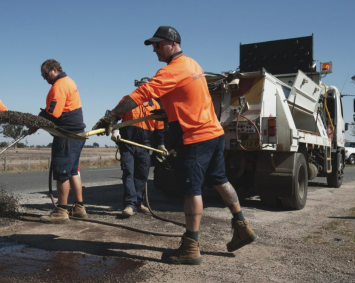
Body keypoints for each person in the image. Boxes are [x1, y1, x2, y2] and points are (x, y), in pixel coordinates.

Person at [93, 26, 256, 265]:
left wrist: (112, 115)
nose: (155, 49)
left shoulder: (172, 70)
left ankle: (191, 246)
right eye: (153, 46)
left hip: (196, 138)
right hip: (213, 133)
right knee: (220, 181)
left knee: (192, 190)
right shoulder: (193, 64)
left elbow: (141, 94)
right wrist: (166, 112)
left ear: (171, 43)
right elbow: (184, 98)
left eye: (158, 45)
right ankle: (242, 226)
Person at [29, 59, 87, 224]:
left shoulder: (59, 85)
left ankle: (61, 210)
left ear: (54, 70)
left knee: (62, 172)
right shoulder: (69, 81)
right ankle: (79, 207)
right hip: (76, 135)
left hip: (66, 135)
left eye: (45, 74)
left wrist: (36, 123)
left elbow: (53, 113)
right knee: (73, 171)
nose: (44, 78)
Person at [111, 77, 167, 217]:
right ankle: (129, 204)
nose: (143, 90)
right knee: (128, 173)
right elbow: (113, 116)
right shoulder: (128, 101)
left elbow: (159, 128)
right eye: (141, 87)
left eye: (146, 87)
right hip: (128, 143)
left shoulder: (155, 106)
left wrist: (161, 144)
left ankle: (138, 202)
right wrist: (115, 130)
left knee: (142, 175)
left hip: (144, 145)